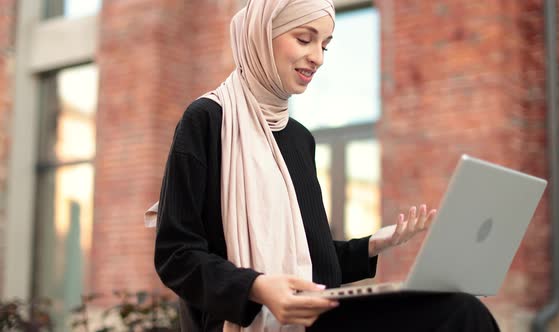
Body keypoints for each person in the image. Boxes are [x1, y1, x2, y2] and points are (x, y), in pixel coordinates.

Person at [147, 0, 501, 331]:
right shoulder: (207, 119)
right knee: (458, 314)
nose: (317, 57)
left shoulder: (300, 138)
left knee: (462, 308)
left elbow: (311, 258)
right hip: (251, 317)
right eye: (304, 39)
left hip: (316, 312)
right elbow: (176, 254)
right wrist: (257, 287)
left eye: (325, 45)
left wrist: (374, 244)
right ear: (261, 36)